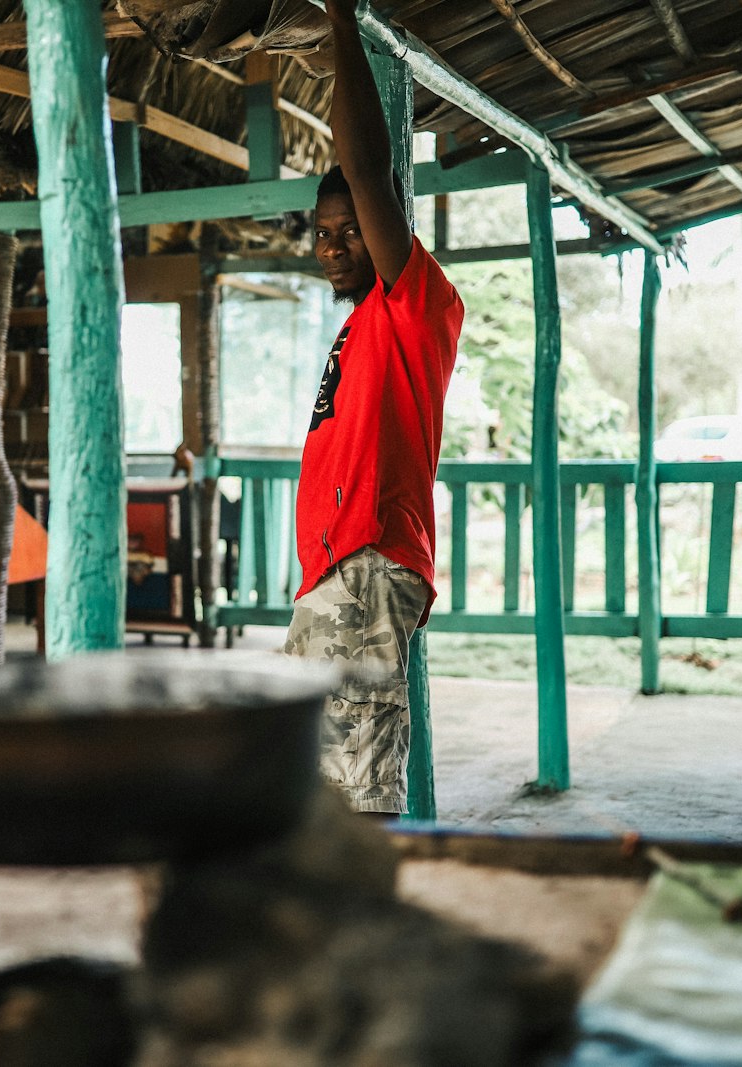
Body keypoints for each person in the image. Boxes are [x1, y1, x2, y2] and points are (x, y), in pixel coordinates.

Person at [280, 0, 464, 816]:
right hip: (332, 571)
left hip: (366, 563)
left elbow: (364, 170)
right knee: (318, 778)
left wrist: (340, 23)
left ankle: (369, 919)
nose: (330, 248)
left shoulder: (413, 306)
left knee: (357, 783)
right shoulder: (359, 327)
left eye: (348, 231)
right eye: (320, 234)